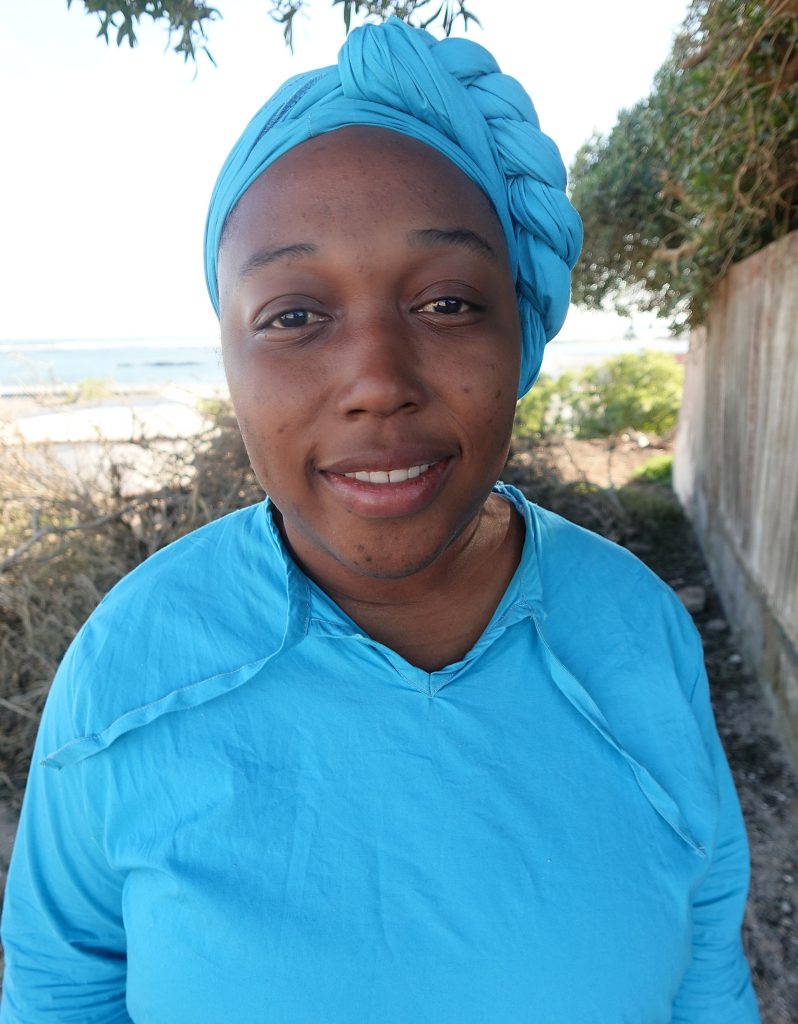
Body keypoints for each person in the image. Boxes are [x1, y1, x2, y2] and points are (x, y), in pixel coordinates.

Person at [1, 18, 759, 1023]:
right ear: (229, 358)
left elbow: (707, 964)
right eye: (294, 315)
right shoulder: (129, 665)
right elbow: (60, 989)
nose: (376, 382)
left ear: (522, 327)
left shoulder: (636, 630)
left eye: (446, 303)